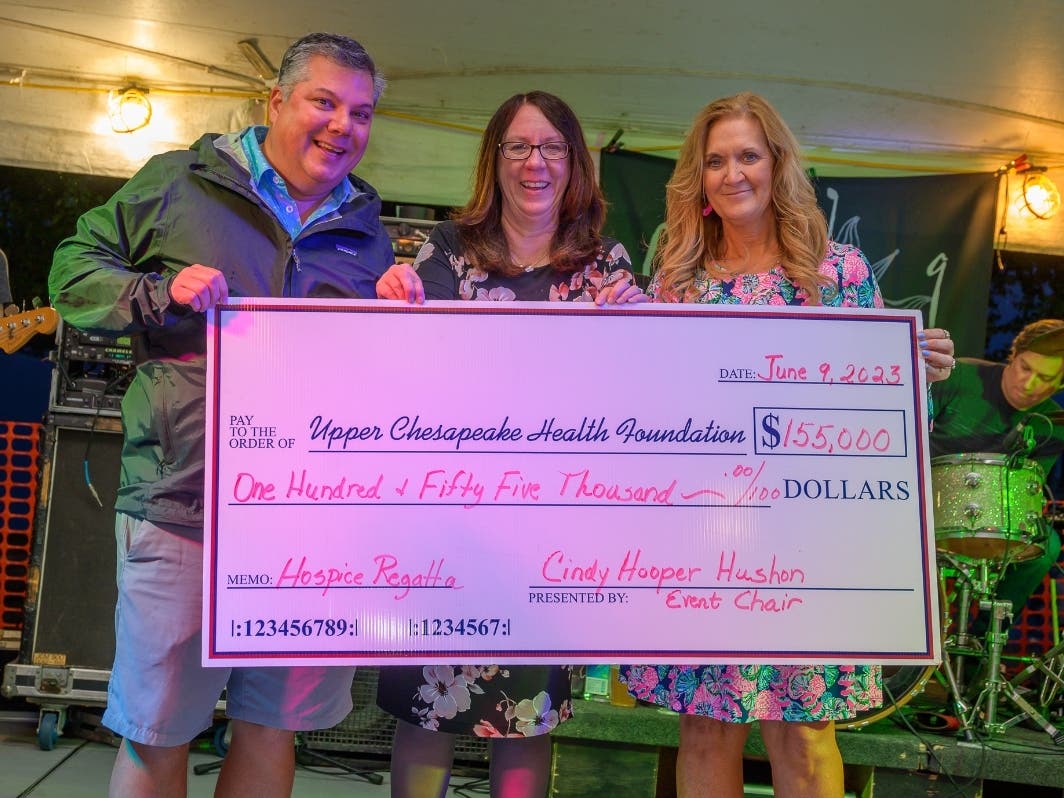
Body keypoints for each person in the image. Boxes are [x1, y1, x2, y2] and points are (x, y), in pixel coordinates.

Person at [48, 33, 393, 798]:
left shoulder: (368, 228)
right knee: (157, 730)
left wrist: (399, 317)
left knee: (273, 727)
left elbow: (372, 375)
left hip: (311, 527)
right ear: (276, 102)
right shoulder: (179, 182)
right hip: (182, 509)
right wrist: (153, 294)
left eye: (362, 113)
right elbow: (72, 270)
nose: (344, 126)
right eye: (325, 102)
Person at [618, 92, 956, 798]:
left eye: (747, 155)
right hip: (703, 543)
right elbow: (649, 414)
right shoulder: (678, 284)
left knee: (803, 730)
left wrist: (913, 373)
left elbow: (886, 424)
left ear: (777, 164)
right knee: (705, 727)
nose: (732, 173)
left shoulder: (839, 273)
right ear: (698, 179)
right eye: (715, 161)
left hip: (808, 544)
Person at [374, 90, 644, 798]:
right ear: (494, 159)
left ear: (574, 162)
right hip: (447, 521)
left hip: (547, 531)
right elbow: (412, 365)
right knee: (428, 704)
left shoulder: (604, 264)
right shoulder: (447, 249)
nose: (536, 162)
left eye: (552, 147)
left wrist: (644, 329)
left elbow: (634, 393)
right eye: (519, 146)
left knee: (530, 712)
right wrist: (395, 300)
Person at [930, 319, 1064, 642]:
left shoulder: (1053, 424)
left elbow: (1026, 494)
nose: (1029, 385)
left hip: (991, 522)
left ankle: (986, 637)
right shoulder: (960, 377)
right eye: (1025, 368)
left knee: (1048, 546)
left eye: (1045, 379)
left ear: (1060, 385)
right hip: (923, 507)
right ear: (1013, 355)